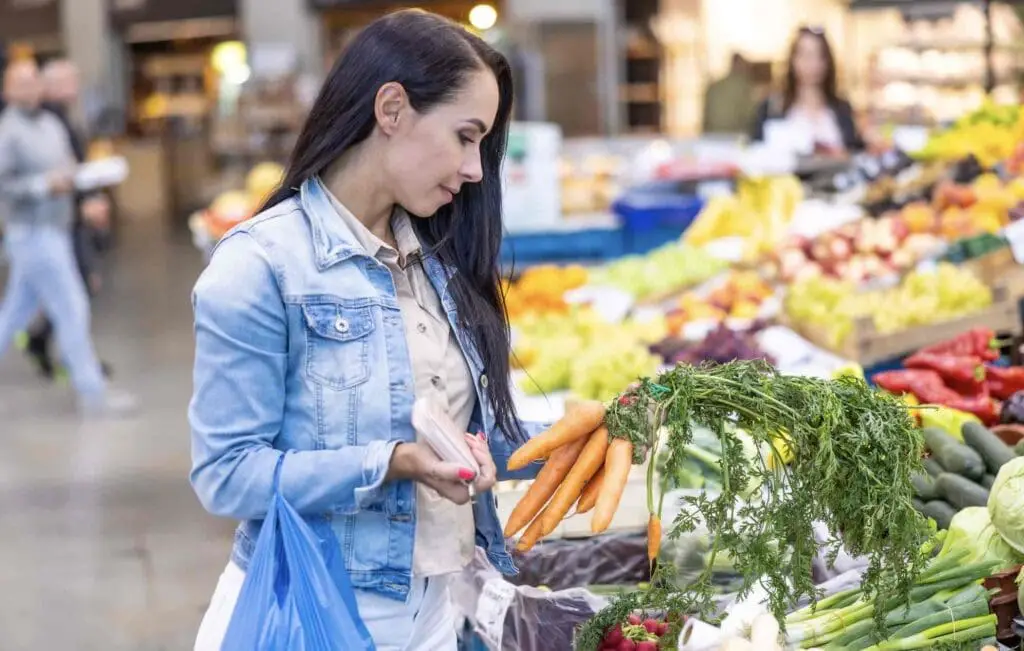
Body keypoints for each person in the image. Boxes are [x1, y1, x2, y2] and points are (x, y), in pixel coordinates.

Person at [189, 10, 552, 650]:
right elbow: (227, 474)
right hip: (315, 611)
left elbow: (461, 428)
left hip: (438, 610)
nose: (475, 169)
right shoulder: (261, 267)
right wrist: (390, 463)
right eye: (465, 137)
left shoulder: (439, 256)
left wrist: (586, 436)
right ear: (392, 109)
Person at [0, 60, 133, 417]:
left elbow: (69, 168)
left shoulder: (50, 125)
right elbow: (5, 185)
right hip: (32, 233)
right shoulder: (8, 132)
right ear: (8, 90)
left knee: (14, 314)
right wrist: (44, 185)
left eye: (33, 82)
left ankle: (92, 391)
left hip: (57, 228)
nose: (29, 89)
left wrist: (86, 181)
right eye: (21, 83)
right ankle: (94, 394)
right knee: (71, 307)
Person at [22, 59, 114, 380]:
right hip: (54, 223)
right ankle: (77, 363)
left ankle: (52, 347)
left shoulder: (59, 119)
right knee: (75, 291)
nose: (75, 86)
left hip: (66, 219)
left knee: (61, 295)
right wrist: (82, 204)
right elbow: (51, 176)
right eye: (69, 80)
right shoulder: (42, 123)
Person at [750, 26, 865, 155]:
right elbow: (756, 152)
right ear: (792, 60)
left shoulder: (841, 109)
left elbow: (854, 151)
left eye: (819, 56)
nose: (812, 64)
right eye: (805, 55)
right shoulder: (771, 107)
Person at [702, 53, 757, 135]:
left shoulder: (714, 86)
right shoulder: (743, 85)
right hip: (734, 136)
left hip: (712, 134)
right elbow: (750, 114)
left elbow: (705, 114)